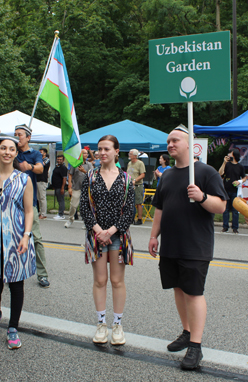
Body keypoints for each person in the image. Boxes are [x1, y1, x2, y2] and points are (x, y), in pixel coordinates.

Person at [148, 126, 227, 370]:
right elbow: (159, 208)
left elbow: (221, 206)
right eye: (168, 140)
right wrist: (153, 236)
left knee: (193, 292)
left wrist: (202, 196)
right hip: (171, 244)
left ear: (190, 144)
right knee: (178, 289)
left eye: (175, 140)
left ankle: (196, 345)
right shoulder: (168, 175)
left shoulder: (205, 172)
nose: (170, 144)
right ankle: (186, 331)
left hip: (196, 245)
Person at [0, 135, 36, 350]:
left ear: (15, 152)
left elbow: (29, 210)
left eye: (11, 149)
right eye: (3, 148)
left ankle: (13, 327)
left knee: (16, 285)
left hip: (17, 236)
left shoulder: (24, 179)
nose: (7, 152)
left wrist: (27, 235)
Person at [79, 135, 135, 346]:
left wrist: (110, 232)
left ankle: (117, 325)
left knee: (117, 281)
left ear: (116, 151)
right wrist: (98, 231)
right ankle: (101, 324)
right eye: (99, 149)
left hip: (118, 237)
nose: (102, 152)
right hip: (96, 236)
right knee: (100, 280)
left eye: (106, 149)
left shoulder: (127, 179)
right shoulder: (91, 177)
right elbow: (85, 207)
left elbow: (129, 213)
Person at [0, 119, 50, 288]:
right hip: (7, 205)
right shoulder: (11, 151)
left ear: (28, 137)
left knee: (34, 238)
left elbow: (40, 168)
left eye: (20, 135)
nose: (17, 137)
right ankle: (7, 270)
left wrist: (28, 166)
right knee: (5, 237)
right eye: (15, 134)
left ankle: (42, 274)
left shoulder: (35, 154)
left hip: (28, 205)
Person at [218, 149, 245, 234]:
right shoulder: (227, 164)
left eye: (230, 153)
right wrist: (224, 162)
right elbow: (220, 173)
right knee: (225, 209)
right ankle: (225, 227)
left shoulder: (240, 166)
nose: (229, 155)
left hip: (235, 191)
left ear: (234, 155)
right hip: (226, 189)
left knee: (235, 210)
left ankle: (235, 227)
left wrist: (239, 181)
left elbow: (244, 178)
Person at [65, 149, 93, 228]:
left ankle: (85, 222)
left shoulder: (89, 164)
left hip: (86, 188)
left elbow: (92, 175)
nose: (86, 155)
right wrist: (69, 186)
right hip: (76, 187)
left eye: (87, 153)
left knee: (86, 206)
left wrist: (84, 171)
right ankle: (70, 219)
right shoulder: (75, 164)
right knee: (73, 205)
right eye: (84, 153)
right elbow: (70, 175)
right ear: (80, 154)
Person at [127, 149, 146, 225]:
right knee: (129, 202)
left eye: (130, 154)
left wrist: (135, 180)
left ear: (135, 156)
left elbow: (143, 174)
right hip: (130, 185)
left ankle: (139, 219)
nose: (129, 155)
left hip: (138, 185)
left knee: (138, 202)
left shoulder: (140, 163)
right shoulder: (129, 163)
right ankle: (130, 218)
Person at [51, 154, 67, 220]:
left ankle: (61, 214)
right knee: (59, 200)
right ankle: (60, 213)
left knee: (61, 200)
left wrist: (62, 187)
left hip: (60, 186)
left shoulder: (63, 168)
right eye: (58, 159)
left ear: (63, 160)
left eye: (60, 159)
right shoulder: (57, 166)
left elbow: (64, 178)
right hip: (56, 186)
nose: (59, 160)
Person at [36, 148, 50, 219]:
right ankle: (40, 212)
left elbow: (41, 165)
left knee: (42, 197)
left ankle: (44, 213)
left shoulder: (46, 160)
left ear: (44, 153)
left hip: (42, 180)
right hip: (37, 179)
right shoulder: (39, 159)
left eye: (41, 152)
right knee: (38, 197)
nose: (40, 153)